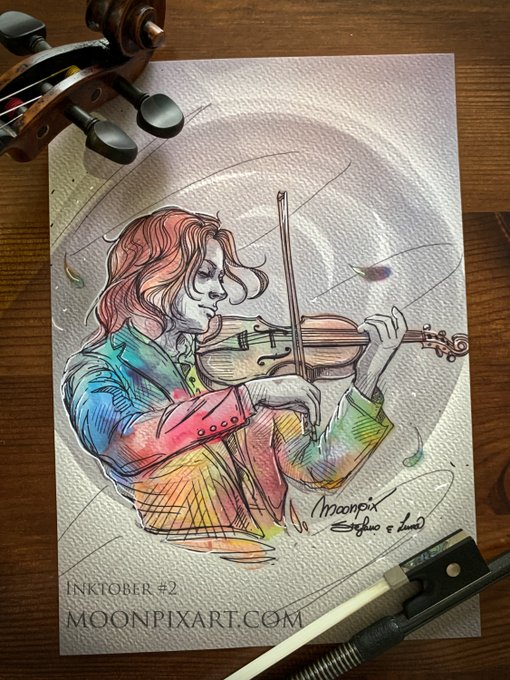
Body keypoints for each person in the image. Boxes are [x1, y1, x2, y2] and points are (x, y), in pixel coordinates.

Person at [62, 206, 406, 559]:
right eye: (204, 274)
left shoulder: (235, 366)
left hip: (280, 548)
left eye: (219, 277)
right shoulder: (95, 369)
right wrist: (248, 395)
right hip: (194, 559)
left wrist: (366, 381)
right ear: (154, 274)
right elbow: (130, 444)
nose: (219, 292)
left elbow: (317, 469)